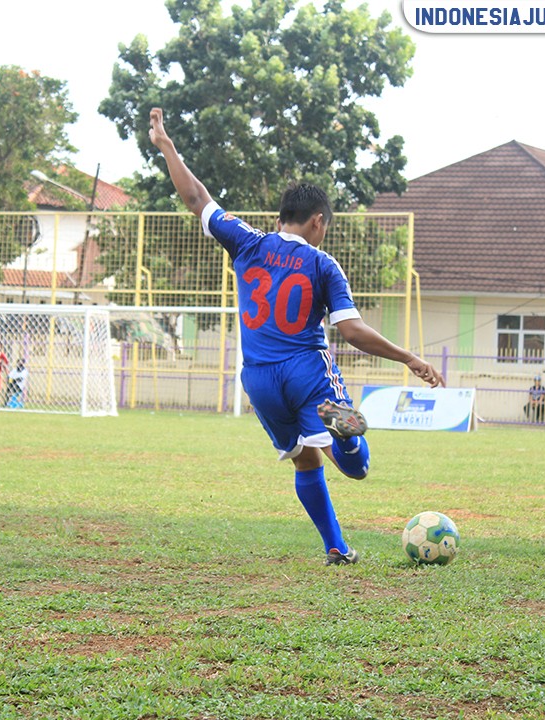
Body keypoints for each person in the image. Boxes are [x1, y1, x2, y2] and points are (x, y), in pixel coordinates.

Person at [148, 107, 445, 566]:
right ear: (318, 222)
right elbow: (351, 330)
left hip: (259, 378)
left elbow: (196, 198)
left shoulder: (248, 241)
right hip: (307, 371)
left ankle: (336, 547)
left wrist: (167, 146)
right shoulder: (323, 264)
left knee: (304, 460)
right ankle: (346, 436)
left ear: (283, 216)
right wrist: (408, 358)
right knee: (356, 467)